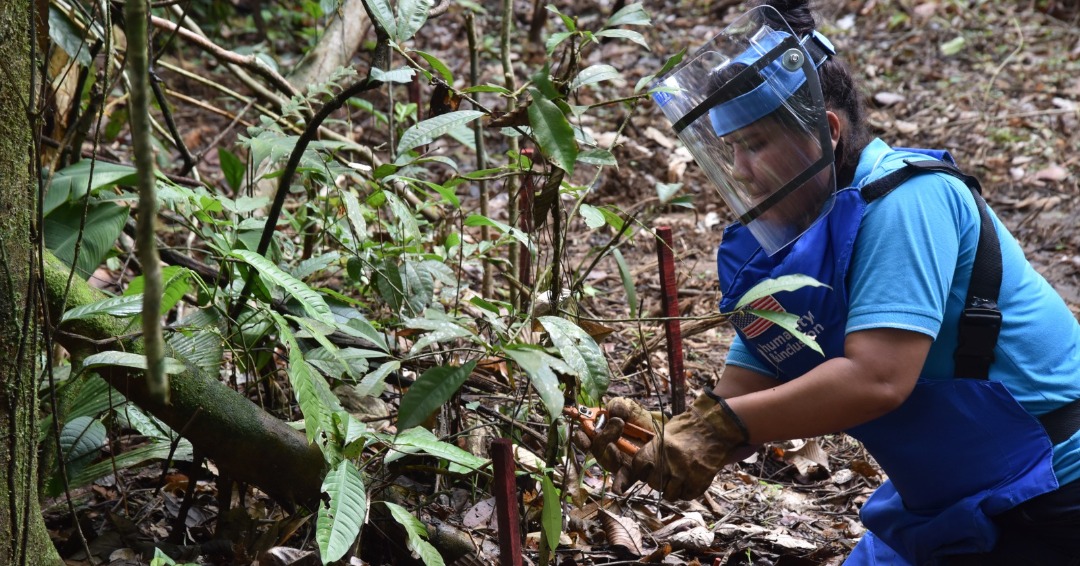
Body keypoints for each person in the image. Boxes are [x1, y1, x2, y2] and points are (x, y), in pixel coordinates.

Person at [576, 0, 1080, 563]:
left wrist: (717, 430)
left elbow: (877, 379)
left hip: (1054, 484)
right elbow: (745, 397)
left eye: (756, 144)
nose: (740, 169)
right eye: (732, 149)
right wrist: (674, 435)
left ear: (828, 131)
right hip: (946, 499)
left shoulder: (907, 202)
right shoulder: (793, 242)